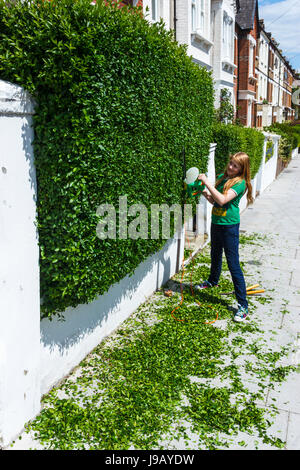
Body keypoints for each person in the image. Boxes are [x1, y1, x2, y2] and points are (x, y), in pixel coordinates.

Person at [195, 152, 254, 322]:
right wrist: (204, 192)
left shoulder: (240, 184)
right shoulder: (223, 177)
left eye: (235, 166)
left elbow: (222, 200)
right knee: (215, 254)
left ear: (242, 169)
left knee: (233, 263)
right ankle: (213, 281)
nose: (230, 167)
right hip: (217, 223)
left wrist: (207, 182)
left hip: (230, 227)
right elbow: (215, 200)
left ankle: (243, 305)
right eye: (230, 163)